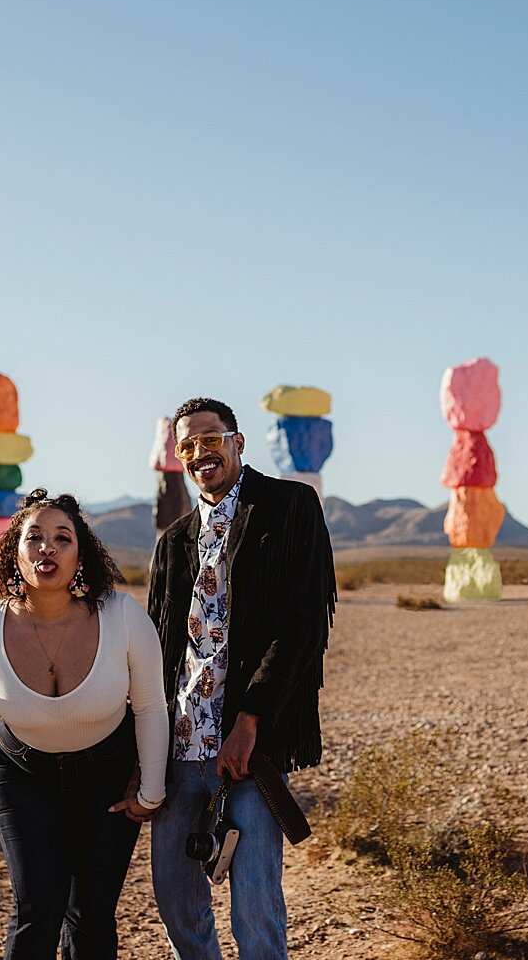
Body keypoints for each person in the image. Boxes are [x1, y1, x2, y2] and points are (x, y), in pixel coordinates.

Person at [0, 489, 168, 960]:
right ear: (14, 552)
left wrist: (150, 790)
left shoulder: (121, 614)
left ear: (82, 554)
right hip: (22, 775)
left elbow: (151, 706)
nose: (47, 547)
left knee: (92, 914)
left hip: (106, 776)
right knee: (37, 907)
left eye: (62, 538)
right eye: (34, 538)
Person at [141, 397, 336, 960]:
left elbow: (302, 623)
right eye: (187, 445)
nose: (200, 452)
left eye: (211, 438)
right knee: (176, 896)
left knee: (254, 900)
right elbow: (159, 647)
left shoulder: (289, 505)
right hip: (180, 745)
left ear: (238, 441)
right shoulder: (173, 539)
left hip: (247, 743)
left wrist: (251, 720)